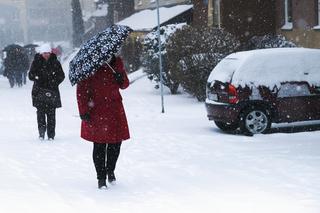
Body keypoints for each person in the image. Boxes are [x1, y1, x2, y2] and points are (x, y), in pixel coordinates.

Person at [76, 54, 130, 189]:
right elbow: (81, 89)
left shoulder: (117, 63)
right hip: (96, 110)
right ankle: (101, 177)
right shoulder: (90, 65)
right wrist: (83, 111)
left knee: (116, 143)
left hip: (115, 109)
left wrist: (120, 78)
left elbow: (124, 85)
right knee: (99, 145)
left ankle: (110, 170)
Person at [28, 44, 65, 141]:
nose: (46, 55)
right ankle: (41, 133)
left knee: (51, 114)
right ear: (41, 53)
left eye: (48, 53)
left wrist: (54, 82)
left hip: (52, 91)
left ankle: (51, 135)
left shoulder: (55, 62)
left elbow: (61, 75)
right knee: (40, 114)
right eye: (45, 53)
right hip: (39, 91)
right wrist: (38, 78)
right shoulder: (36, 62)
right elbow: (31, 75)